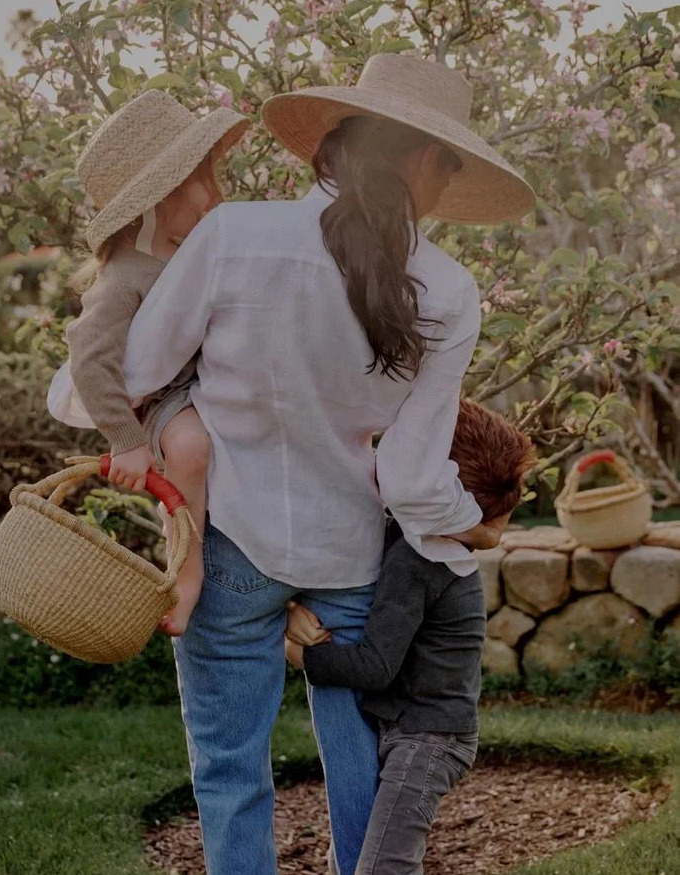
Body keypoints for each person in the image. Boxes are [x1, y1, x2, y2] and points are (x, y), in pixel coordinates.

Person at [113, 54, 535, 875]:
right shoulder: (447, 290)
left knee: (230, 769)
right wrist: (476, 525)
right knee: (365, 770)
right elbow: (410, 480)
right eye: (451, 166)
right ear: (426, 158)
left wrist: (183, 425)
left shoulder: (233, 236)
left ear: (337, 141)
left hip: (229, 544)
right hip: (351, 555)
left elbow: (136, 374)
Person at [285, 399, 537, 874]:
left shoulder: (418, 559)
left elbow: (375, 667)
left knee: (383, 866)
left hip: (428, 740)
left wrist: (297, 655)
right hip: (421, 731)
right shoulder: (429, 541)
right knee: (358, 856)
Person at [47, 90, 248, 635]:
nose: (215, 195)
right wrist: (126, 439)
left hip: (211, 382)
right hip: (163, 398)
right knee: (189, 449)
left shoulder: (195, 251)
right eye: (202, 182)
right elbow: (91, 357)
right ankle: (185, 573)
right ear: (161, 195)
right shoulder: (125, 275)